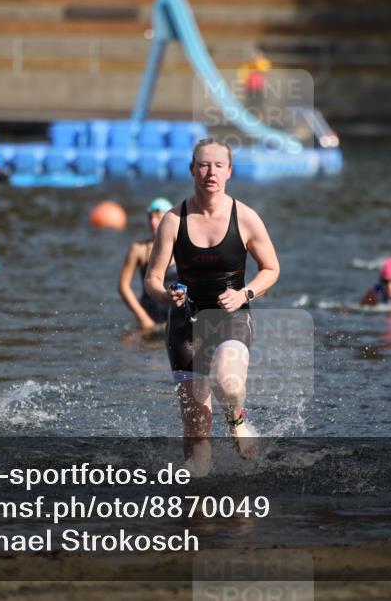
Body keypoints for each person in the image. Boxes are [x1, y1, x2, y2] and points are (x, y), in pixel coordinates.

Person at [144, 138, 280, 472]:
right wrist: (165, 296)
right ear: (193, 169)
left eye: (219, 165)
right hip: (185, 326)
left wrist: (244, 294)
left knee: (227, 382)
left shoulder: (245, 217)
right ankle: (199, 510)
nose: (211, 172)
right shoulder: (174, 221)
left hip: (230, 317)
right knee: (196, 435)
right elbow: (152, 278)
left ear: (229, 172)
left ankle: (237, 421)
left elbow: (272, 269)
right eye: (204, 164)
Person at [118, 198, 179, 332]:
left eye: (158, 217)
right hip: (150, 318)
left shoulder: (183, 246)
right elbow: (123, 286)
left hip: (177, 317)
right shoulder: (139, 249)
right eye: (150, 217)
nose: (153, 222)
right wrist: (143, 318)